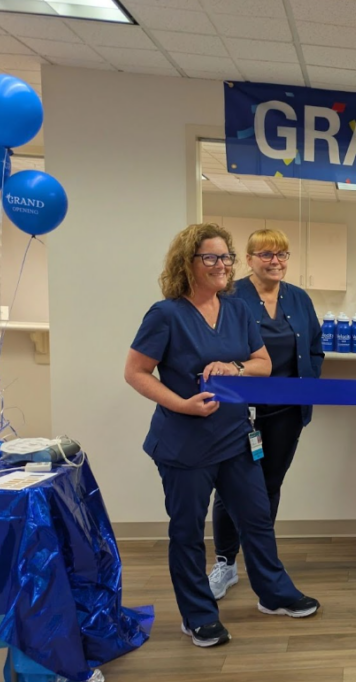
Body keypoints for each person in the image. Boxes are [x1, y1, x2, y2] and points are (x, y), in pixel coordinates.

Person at [125, 223, 319, 649]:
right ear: (187, 263)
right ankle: (197, 615)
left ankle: (274, 593)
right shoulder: (166, 314)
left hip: (235, 436)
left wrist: (236, 368)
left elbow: (263, 363)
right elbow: (136, 372)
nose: (221, 265)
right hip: (184, 442)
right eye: (210, 257)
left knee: (256, 516)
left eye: (225, 257)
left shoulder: (235, 310)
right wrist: (182, 404)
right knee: (188, 531)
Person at [206, 229, 324, 600]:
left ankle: (261, 561)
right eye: (267, 254)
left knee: (270, 485)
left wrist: (308, 385)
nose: (276, 261)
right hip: (238, 411)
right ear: (249, 259)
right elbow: (215, 345)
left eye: (282, 254)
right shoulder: (230, 295)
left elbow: (314, 348)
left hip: (286, 412)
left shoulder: (299, 298)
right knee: (230, 488)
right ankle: (225, 562)